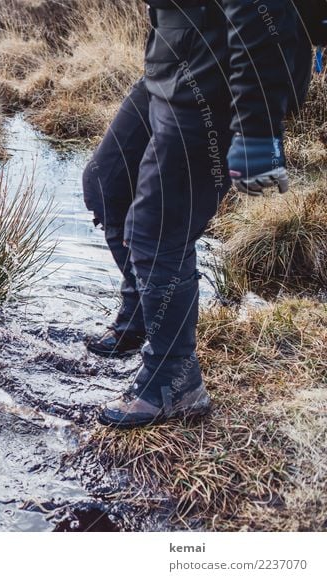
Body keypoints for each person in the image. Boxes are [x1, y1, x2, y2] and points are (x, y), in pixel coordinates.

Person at [82, 0, 314, 428]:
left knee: (157, 229)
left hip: (219, 82)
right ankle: (139, 314)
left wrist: (257, 127)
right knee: (106, 184)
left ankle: (174, 381)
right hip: (173, 60)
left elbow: (259, 10)